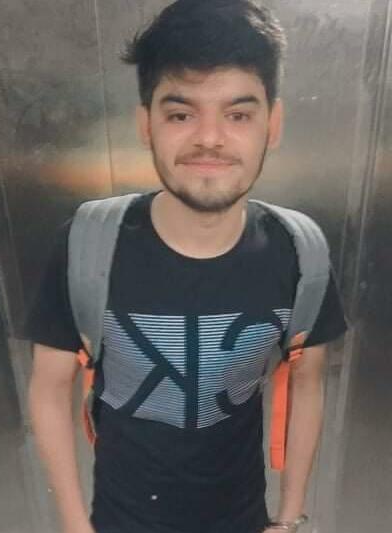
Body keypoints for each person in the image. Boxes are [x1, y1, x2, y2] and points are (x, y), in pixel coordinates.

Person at [26, 1, 347, 532]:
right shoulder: (87, 244)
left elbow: (308, 382)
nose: (210, 138)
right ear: (146, 125)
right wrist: (75, 526)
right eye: (181, 114)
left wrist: (290, 520)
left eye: (238, 114)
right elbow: (48, 387)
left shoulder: (301, 253)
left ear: (273, 124)